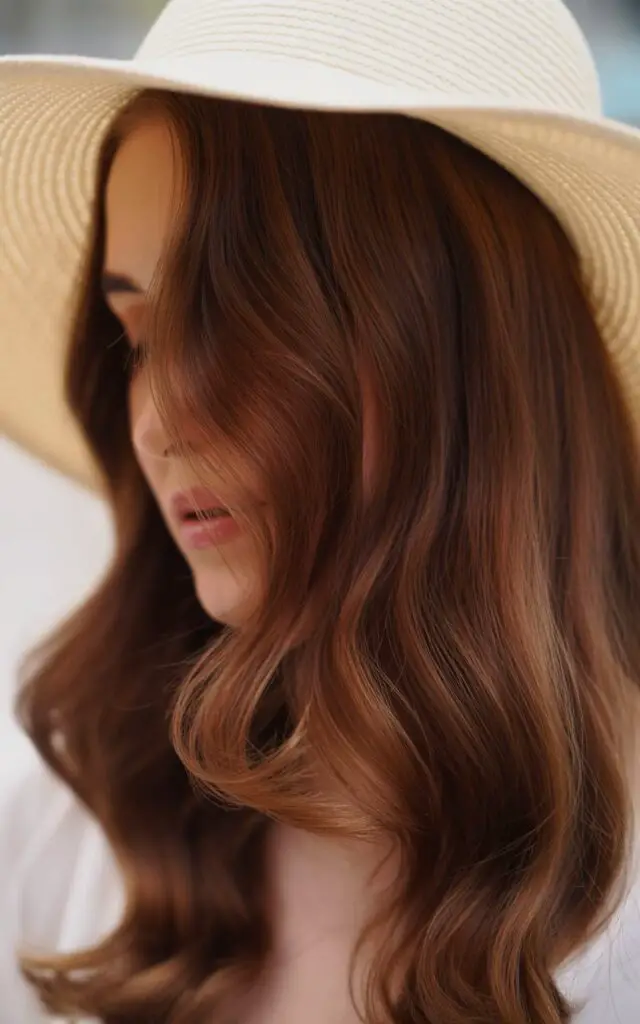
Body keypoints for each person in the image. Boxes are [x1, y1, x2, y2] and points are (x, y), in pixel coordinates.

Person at [1, 0, 640, 1021]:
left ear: (460, 353)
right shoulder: (68, 846)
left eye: (239, 319)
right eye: (140, 335)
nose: (160, 417)